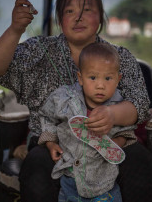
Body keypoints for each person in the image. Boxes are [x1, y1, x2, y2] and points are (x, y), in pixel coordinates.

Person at [0, 0, 152, 202]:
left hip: (110, 143)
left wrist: (112, 115)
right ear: (60, 20)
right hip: (51, 145)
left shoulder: (121, 56)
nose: (78, 17)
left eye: (87, 10)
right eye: (69, 11)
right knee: (36, 171)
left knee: (141, 163)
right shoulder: (39, 50)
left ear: (100, 16)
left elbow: (139, 104)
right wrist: (15, 29)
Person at [38, 42, 137, 202]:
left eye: (108, 78)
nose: (100, 85)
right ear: (80, 78)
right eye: (92, 77)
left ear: (118, 79)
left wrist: (114, 143)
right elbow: (47, 117)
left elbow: (127, 129)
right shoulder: (63, 99)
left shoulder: (119, 105)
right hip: (70, 178)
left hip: (104, 183)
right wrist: (50, 142)